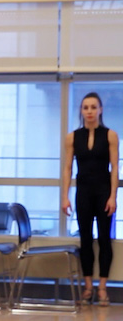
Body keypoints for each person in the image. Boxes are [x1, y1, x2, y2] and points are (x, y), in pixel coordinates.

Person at [62, 92, 119, 307]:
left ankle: (102, 288)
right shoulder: (72, 137)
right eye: (85, 107)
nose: (89, 111)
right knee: (85, 239)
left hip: (104, 192)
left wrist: (114, 196)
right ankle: (87, 288)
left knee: (105, 239)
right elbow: (68, 168)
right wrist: (65, 196)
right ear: (81, 111)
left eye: (93, 107)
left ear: (100, 110)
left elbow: (115, 168)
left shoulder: (111, 135)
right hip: (83, 192)